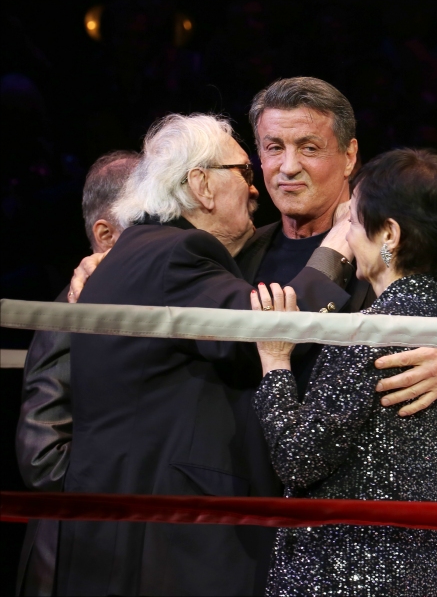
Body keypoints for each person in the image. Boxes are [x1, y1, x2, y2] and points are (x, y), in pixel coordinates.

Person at [63, 77, 437, 595]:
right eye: (272, 148)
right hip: (264, 540)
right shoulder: (230, 253)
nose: (288, 166)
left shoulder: (401, 241)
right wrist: (106, 268)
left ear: (350, 155)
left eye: (308, 148)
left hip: (400, 545)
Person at [55, 113, 357, 597]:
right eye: (244, 173)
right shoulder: (178, 252)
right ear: (201, 185)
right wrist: (337, 247)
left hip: (118, 527)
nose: (256, 191)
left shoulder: (134, 253)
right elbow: (261, 331)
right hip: (173, 532)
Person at [251, 148, 437, 596]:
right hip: (436, 575)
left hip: (352, 572)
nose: (348, 239)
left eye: (355, 224)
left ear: (390, 236)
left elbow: (298, 458)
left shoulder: (374, 333)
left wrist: (276, 362)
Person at [14, 150, 139, 597]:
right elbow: (43, 459)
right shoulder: (72, 307)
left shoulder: (148, 309)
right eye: (146, 227)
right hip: (72, 559)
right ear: (105, 236)